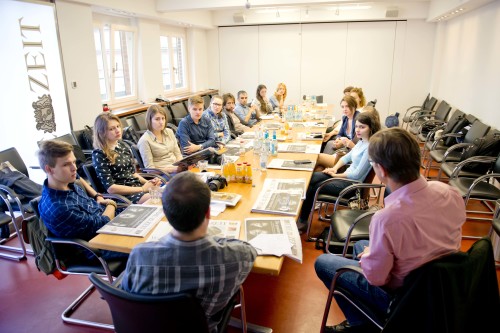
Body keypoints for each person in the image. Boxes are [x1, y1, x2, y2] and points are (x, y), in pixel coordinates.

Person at [315, 128, 466, 333]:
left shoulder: (387, 219)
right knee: (361, 245)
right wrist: (371, 254)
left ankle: (363, 324)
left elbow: (377, 279)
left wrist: (370, 258)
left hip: (404, 297)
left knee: (323, 263)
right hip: (443, 285)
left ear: (381, 170)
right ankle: (362, 318)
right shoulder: (449, 192)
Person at [121, 172, 257, 332]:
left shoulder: (139, 255)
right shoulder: (238, 256)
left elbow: (127, 293)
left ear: (165, 213)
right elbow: (248, 249)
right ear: (208, 213)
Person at [37, 140, 126, 259]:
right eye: (66, 164)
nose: (74, 168)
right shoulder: (60, 207)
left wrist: (96, 196)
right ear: (49, 169)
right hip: (98, 247)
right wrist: (111, 204)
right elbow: (103, 223)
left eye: (74, 162)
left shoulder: (65, 181)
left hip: (110, 223)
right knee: (150, 247)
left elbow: (79, 177)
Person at [298, 112, 380, 228]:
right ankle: (302, 216)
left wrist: (335, 175)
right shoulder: (362, 141)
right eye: (356, 126)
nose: (358, 130)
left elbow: (357, 175)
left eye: (362, 127)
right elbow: (347, 157)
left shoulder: (370, 148)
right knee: (311, 178)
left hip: (352, 186)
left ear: (371, 128)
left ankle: (303, 220)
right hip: (345, 177)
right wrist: (334, 168)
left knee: (315, 186)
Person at [92, 112, 162, 204]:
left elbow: (133, 174)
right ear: (102, 132)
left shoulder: (122, 146)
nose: (117, 130)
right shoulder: (99, 154)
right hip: (122, 196)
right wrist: (142, 188)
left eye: (118, 126)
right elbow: (111, 188)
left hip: (136, 189)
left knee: (169, 192)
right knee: (162, 197)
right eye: (111, 129)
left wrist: (150, 184)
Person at [137, 105, 183, 174]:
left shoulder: (169, 131)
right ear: (150, 120)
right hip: (164, 174)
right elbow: (150, 170)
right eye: (157, 119)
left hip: (177, 168)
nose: (161, 122)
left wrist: (182, 165)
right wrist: (172, 170)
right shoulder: (144, 140)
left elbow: (178, 154)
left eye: (163, 118)